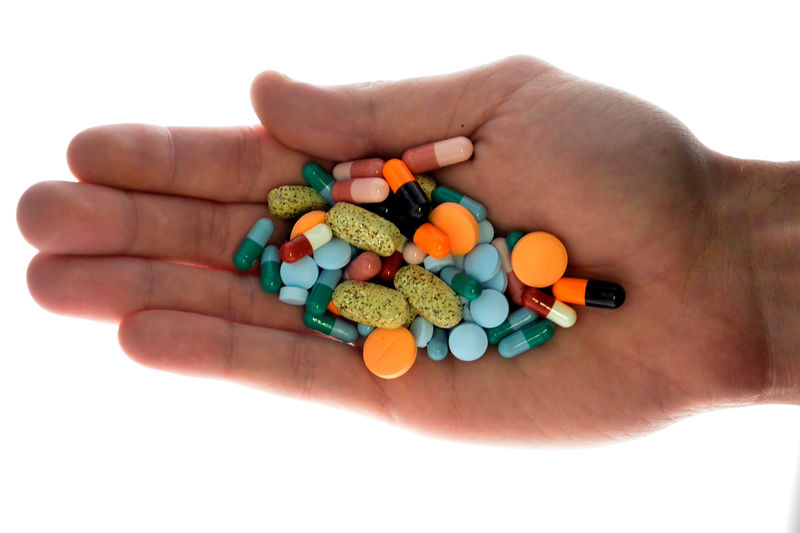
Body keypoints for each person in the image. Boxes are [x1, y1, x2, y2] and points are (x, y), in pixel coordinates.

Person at [16, 56, 799, 445]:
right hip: (448, 282)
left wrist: (722, 238)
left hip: (465, 275)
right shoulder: (363, 255)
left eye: (364, 265)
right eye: (357, 266)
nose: (361, 266)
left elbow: (439, 269)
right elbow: (395, 266)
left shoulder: (443, 261)